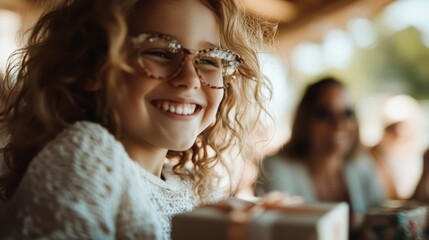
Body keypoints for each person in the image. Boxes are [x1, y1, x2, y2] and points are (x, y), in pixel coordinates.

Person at [0, 0, 275, 238]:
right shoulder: (87, 156)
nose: (190, 79)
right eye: (160, 52)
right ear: (92, 67)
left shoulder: (194, 190)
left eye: (210, 60)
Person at [256, 77, 384, 230]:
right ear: (305, 120)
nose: (339, 124)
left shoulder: (363, 166)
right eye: (325, 114)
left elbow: (384, 221)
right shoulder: (277, 169)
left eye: (347, 113)